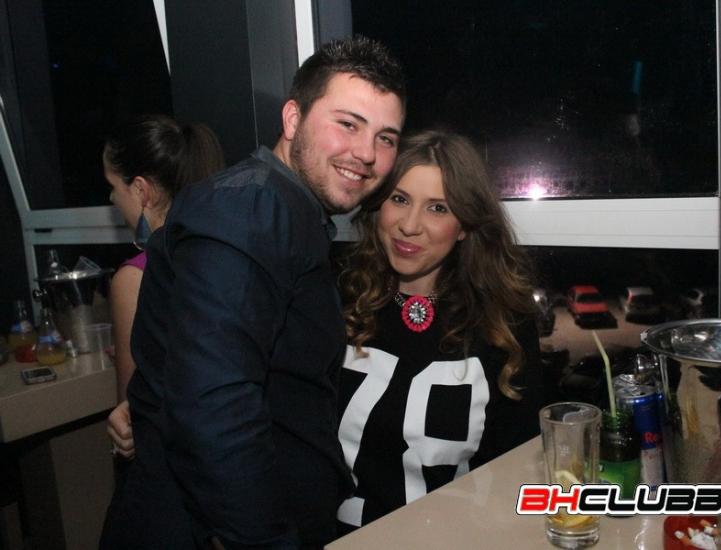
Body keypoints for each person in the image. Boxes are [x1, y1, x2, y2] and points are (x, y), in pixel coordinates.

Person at [100, 36, 406, 549]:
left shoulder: (286, 210)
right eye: (348, 124)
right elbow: (215, 409)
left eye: (386, 137)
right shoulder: (251, 210)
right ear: (293, 119)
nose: (367, 154)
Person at [335, 129, 543, 532]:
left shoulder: (503, 323)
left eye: (437, 208)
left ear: (464, 225)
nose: (410, 226)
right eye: (399, 199)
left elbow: (518, 467)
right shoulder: (338, 299)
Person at [103, 115, 225, 404]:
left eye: (113, 185)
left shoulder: (133, 278)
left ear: (141, 190)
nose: (112, 198)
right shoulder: (220, 252)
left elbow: (132, 405)